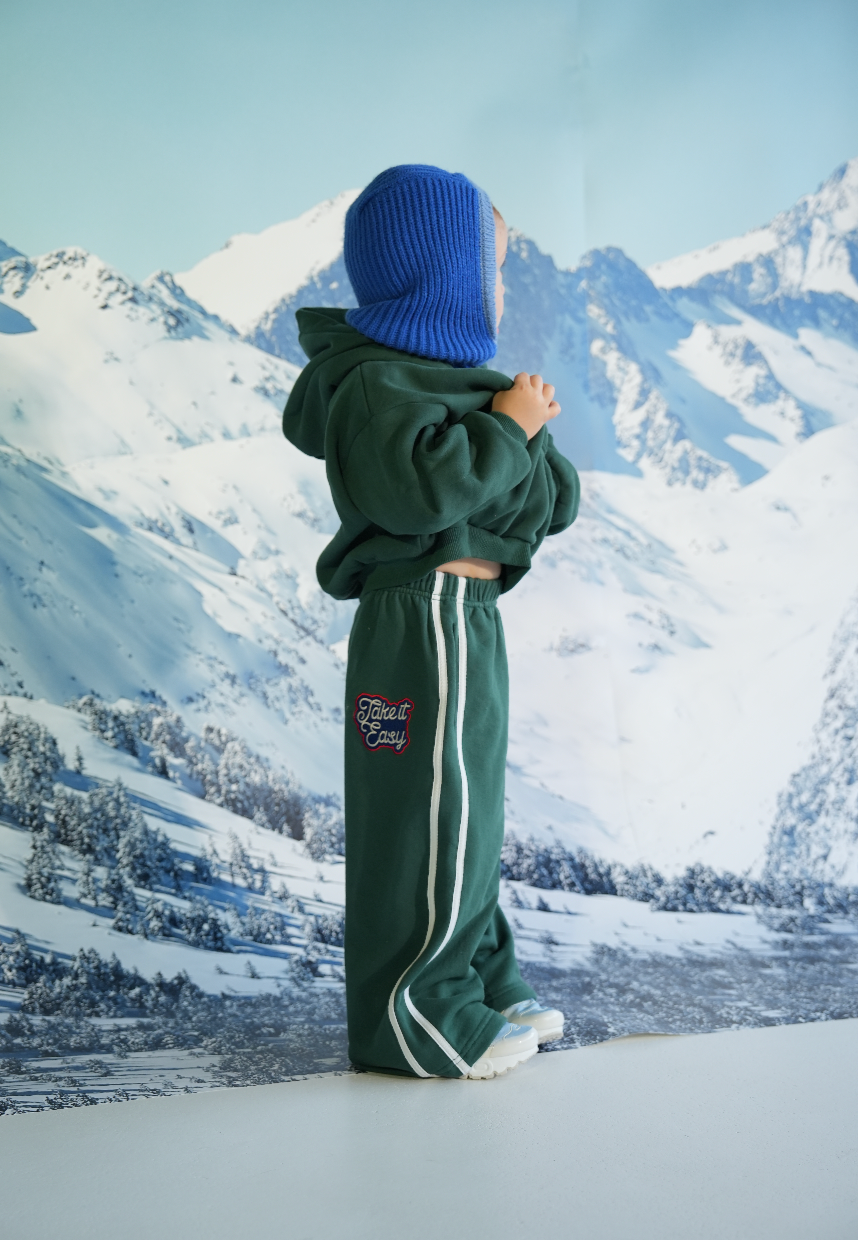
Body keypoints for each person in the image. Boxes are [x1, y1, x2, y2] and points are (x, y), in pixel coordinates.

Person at [283, 164, 580, 1079]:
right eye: (494, 269)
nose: (502, 289)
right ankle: (420, 1014)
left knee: (468, 810)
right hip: (426, 615)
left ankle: (479, 979)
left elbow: (550, 504)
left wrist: (517, 433)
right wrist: (508, 432)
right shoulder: (375, 385)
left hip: (468, 617)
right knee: (430, 809)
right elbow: (420, 493)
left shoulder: (454, 387)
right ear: (445, 275)